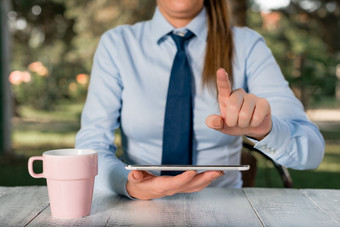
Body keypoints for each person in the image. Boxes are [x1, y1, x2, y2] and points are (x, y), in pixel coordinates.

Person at [75, 0, 325, 200]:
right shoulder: (117, 45)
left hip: (225, 210)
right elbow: (91, 146)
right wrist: (126, 184)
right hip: (139, 207)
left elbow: (311, 153)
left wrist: (266, 130)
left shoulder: (247, 45)